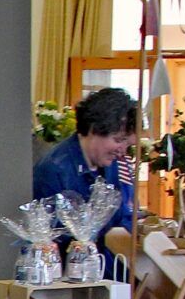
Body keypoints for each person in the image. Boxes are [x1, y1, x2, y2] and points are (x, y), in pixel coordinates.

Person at [32, 85, 140, 241]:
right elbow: (49, 239)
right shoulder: (54, 170)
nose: (123, 151)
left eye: (127, 144)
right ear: (93, 129)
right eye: (118, 140)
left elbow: (122, 217)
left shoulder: (113, 165)